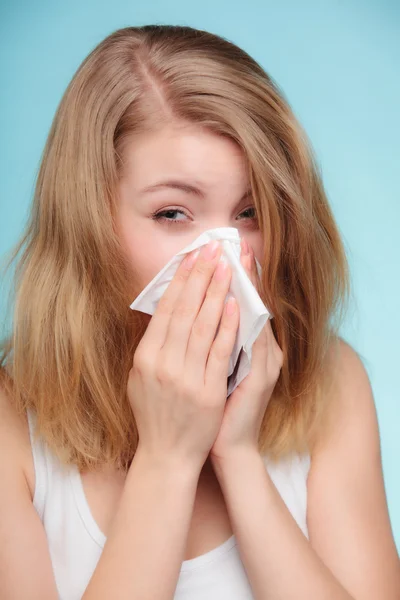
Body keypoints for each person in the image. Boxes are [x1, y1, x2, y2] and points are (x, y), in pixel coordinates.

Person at [0, 24, 398, 600]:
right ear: (89, 225)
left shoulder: (330, 381)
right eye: (171, 213)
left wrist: (236, 457)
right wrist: (167, 461)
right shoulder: (12, 425)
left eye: (250, 212)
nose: (222, 255)